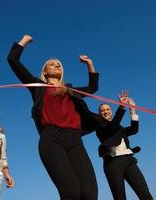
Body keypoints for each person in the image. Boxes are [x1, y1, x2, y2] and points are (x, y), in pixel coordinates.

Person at [7, 34, 99, 200]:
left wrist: (89, 63)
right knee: (71, 191)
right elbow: (13, 60)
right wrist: (24, 41)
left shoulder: (71, 91)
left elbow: (93, 87)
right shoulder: (37, 86)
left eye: (59, 65)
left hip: (75, 141)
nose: (57, 65)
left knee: (89, 194)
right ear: (45, 71)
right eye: (52, 64)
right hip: (51, 139)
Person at [95, 91, 153, 200]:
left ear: (111, 112)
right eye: (102, 111)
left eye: (107, 109)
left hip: (128, 160)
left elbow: (134, 130)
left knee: (145, 194)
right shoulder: (100, 127)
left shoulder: (119, 128)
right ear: (99, 114)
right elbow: (112, 127)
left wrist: (132, 110)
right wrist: (121, 107)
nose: (105, 112)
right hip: (112, 164)